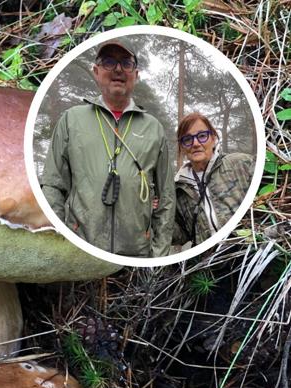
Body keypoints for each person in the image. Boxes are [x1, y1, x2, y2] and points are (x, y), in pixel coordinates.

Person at [41, 40, 175, 257]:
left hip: (136, 252)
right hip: (81, 247)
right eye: (109, 62)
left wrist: (158, 255)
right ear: (96, 71)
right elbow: (52, 184)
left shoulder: (153, 128)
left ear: (136, 74)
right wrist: (61, 240)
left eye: (126, 63)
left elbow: (166, 196)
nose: (118, 69)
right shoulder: (72, 120)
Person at [172, 112, 253, 247]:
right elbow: (181, 236)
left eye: (202, 136)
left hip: (250, 250)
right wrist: (152, 218)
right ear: (181, 146)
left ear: (213, 138)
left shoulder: (240, 164)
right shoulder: (179, 188)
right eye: (187, 139)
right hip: (212, 263)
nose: (196, 143)